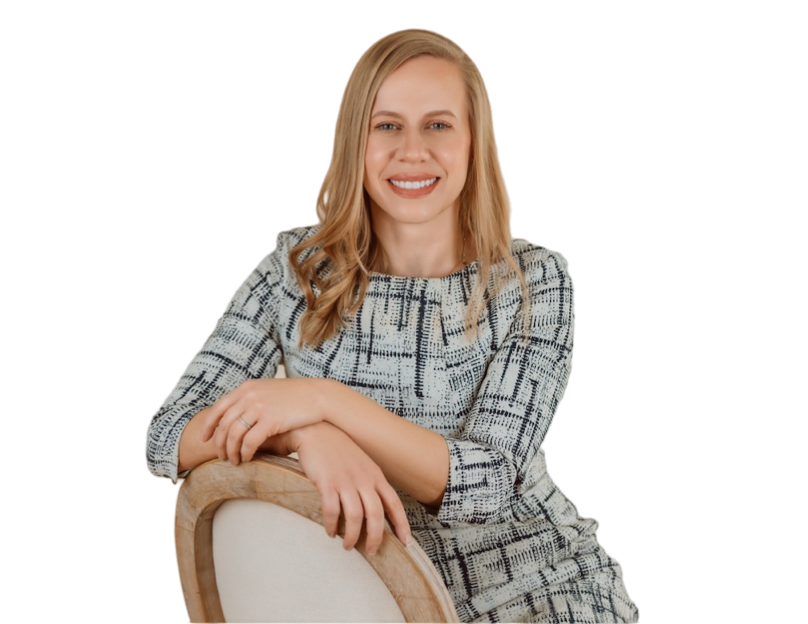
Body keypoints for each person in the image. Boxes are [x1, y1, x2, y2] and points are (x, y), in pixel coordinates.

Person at [145, 28, 640, 624]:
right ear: (356, 140)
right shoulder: (293, 270)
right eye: (387, 125)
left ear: (474, 143)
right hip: (366, 601)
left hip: (536, 587)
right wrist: (306, 436)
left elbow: (486, 484)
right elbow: (166, 436)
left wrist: (323, 401)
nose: (412, 150)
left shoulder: (535, 278)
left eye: (438, 125)